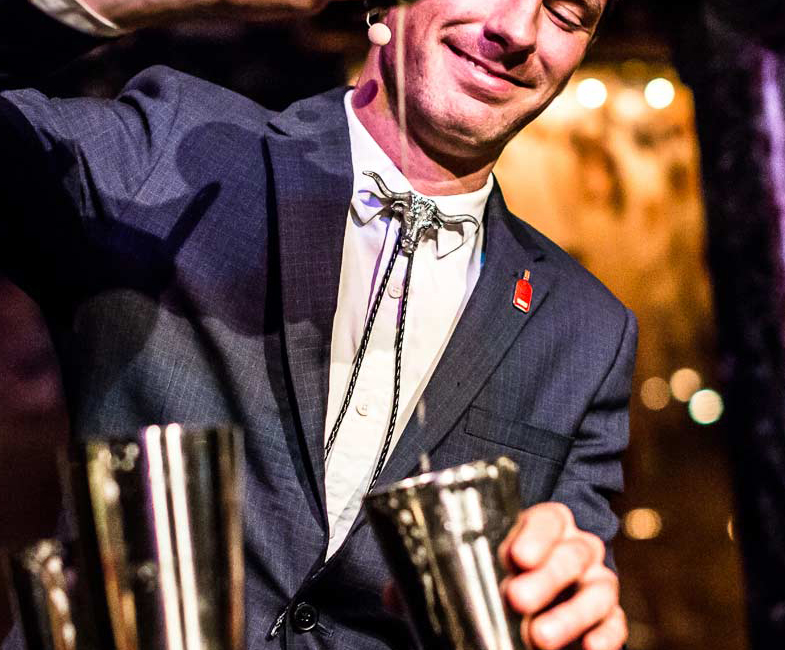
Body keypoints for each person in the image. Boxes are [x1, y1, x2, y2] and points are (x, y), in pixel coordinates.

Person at [0, 0, 636, 648]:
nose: (518, 31)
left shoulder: (589, 334)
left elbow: (561, 596)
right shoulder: (170, 147)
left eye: (566, 13)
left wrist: (569, 618)